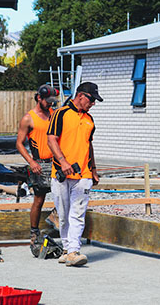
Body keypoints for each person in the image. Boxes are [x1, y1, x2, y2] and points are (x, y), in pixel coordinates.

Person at [47, 82, 101, 267]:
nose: (93, 103)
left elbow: (89, 145)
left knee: (77, 213)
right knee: (63, 214)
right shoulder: (60, 114)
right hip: (61, 173)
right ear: (80, 96)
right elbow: (51, 139)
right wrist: (63, 161)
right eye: (91, 99)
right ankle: (66, 248)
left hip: (83, 174)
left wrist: (93, 169)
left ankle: (73, 251)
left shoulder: (89, 120)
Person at [16, 84, 58, 256]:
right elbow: (19, 143)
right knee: (39, 200)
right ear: (39, 98)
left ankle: (55, 217)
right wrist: (31, 162)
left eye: (52, 101)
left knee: (64, 194)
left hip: (55, 162)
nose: (50, 104)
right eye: (47, 101)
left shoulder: (54, 115)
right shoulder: (29, 119)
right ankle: (34, 233)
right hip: (39, 163)